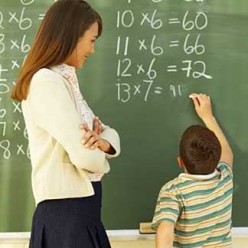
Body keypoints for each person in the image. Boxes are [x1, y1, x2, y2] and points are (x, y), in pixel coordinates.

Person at [11, 0, 120, 247]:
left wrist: (102, 143)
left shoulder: (65, 80)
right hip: (67, 216)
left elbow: (108, 133)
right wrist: (100, 156)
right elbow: (84, 156)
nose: (92, 50)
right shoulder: (46, 82)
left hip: (81, 214)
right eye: (91, 40)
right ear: (70, 35)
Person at [152, 93, 233, 248]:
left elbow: (165, 231)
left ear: (180, 161)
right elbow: (228, 153)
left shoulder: (173, 191)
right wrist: (209, 117)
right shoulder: (225, 179)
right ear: (217, 158)